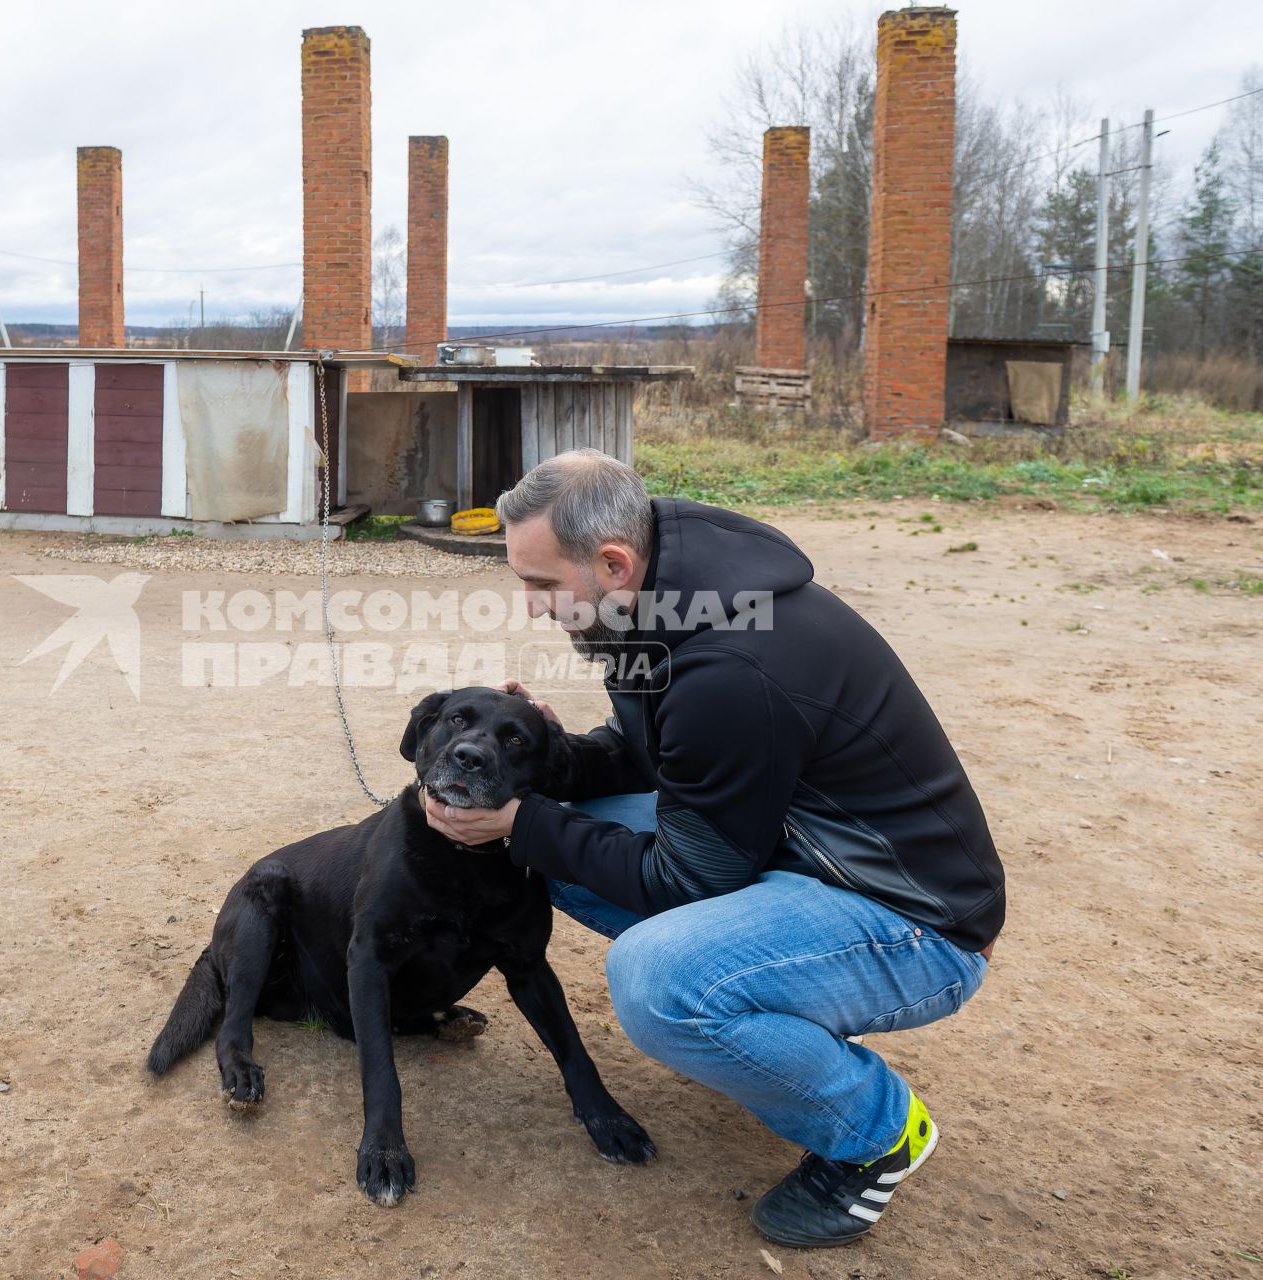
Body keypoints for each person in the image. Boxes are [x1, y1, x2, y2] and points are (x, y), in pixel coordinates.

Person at [422, 448, 1004, 1249]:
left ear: (613, 562)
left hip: (913, 921)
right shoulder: (663, 594)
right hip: (802, 853)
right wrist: (547, 758)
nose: (532, 608)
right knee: (547, 839)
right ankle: (789, 1014)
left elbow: (687, 879)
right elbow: (655, 758)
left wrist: (523, 823)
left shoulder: (730, 668)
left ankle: (878, 1134)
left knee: (658, 980)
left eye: (541, 584)